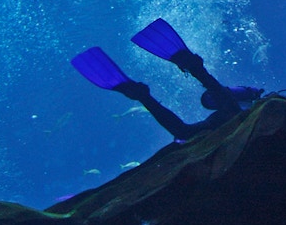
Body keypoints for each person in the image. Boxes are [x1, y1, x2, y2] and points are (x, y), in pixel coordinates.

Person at [71, 18, 265, 141]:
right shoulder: (249, 105)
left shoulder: (247, 104)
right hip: (235, 113)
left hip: (230, 114)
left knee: (185, 132)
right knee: (223, 112)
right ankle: (194, 70)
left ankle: (146, 95)